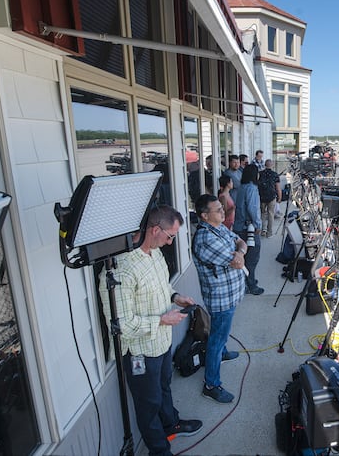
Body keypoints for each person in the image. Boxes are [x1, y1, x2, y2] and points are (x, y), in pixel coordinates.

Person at [98, 205, 201, 456]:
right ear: (155, 229)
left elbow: (162, 287)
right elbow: (120, 324)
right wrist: (161, 321)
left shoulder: (154, 254)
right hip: (140, 352)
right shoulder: (121, 269)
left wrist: (176, 297)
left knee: (164, 386)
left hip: (161, 344)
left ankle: (171, 424)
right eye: (170, 236)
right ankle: (159, 450)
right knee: (148, 403)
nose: (170, 242)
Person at [192, 195, 248, 403]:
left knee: (221, 334)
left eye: (221, 208)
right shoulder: (206, 238)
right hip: (220, 299)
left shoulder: (218, 228)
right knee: (217, 338)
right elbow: (236, 263)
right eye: (217, 210)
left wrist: (240, 251)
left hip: (230, 295)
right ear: (205, 216)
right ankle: (211, 384)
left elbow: (240, 241)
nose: (223, 211)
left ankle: (222, 353)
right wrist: (240, 255)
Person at [233, 164, 263, 295]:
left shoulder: (242, 187)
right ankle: (250, 285)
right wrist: (258, 224)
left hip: (239, 227)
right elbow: (252, 208)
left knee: (244, 256)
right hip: (248, 228)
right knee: (252, 257)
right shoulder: (251, 188)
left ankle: (249, 281)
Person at [258, 159, 281, 238]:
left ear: (265, 165)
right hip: (271, 196)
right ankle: (269, 232)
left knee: (262, 214)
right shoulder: (275, 174)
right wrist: (279, 197)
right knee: (271, 214)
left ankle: (263, 230)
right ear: (272, 165)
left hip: (262, 196)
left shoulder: (260, 174)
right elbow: (278, 187)